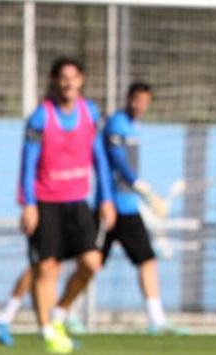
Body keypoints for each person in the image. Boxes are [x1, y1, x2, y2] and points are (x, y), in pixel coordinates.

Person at [8, 57, 115, 354]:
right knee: (47, 268)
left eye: (74, 77)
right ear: (55, 80)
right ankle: (47, 332)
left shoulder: (90, 113)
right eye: (63, 77)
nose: (69, 82)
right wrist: (28, 204)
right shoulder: (40, 118)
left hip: (78, 202)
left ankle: (60, 312)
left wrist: (106, 197)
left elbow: (100, 159)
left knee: (91, 263)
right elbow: (27, 165)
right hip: (46, 203)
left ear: (81, 80)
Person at [80, 81, 182, 334]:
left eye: (146, 102)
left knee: (147, 260)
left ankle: (156, 320)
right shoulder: (116, 124)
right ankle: (64, 312)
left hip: (128, 208)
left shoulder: (134, 127)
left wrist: (142, 195)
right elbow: (118, 163)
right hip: (111, 208)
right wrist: (144, 190)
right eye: (138, 100)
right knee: (90, 264)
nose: (141, 106)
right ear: (128, 98)